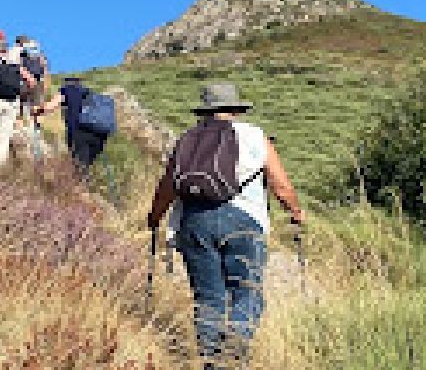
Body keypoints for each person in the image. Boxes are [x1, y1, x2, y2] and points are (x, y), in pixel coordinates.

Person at [145, 83, 307, 368]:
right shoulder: (254, 136)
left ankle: (212, 362)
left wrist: (154, 218)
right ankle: (235, 353)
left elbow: (167, 187)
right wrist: (296, 213)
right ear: (235, 109)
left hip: (194, 223)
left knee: (209, 299)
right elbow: (281, 186)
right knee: (247, 292)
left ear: (205, 111)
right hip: (243, 221)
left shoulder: (188, 140)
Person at [46, 77, 109, 175]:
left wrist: (35, 110)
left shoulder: (66, 90)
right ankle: (87, 186)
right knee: (86, 166)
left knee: (80, 168)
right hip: (98, 136)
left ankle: (82, 188)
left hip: (79, 133)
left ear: (67, 82)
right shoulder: (89, 93)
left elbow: (49, 106)